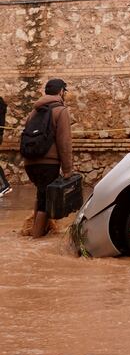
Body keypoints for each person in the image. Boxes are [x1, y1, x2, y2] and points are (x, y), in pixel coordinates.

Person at [22, 79, 74, 237]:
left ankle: (37, 231)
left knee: (42, 194)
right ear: (60, 92)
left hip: (30, 163)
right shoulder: (60, 110)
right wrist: (67, 170)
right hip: (48, 164)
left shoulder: (34, 111)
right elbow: (64, 142)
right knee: (46, 201)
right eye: (64, 91)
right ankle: (36, 240)